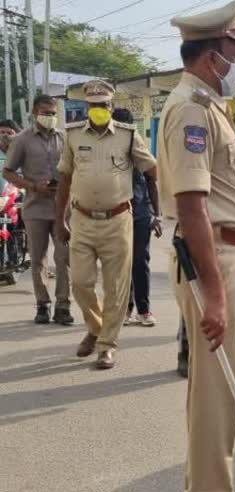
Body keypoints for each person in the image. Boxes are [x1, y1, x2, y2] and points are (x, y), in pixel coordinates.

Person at [158, 3, 235, 492]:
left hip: (230, 257)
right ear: (211, 57)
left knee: (218, 395)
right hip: (216, 261)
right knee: (216, 396)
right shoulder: (192, 110)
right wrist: (216, 296)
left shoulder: (209, 107)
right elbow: (192, 205)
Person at [55, 81, 158, 369]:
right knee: (80, 282)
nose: (99, 109)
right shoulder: (73, 136)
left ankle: (107, 345)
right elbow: (64, 179)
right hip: (82, 220)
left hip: (117, 220)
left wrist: (156, 211)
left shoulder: (128, 135)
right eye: (94, 105)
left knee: (115, 287)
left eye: (104, 105)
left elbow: (151, 170)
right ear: (87, 107)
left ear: (111, 107)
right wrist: (59, 220)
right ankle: (96, 327)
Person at [2, 96, 72, 325]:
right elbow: (9, 171)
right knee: (38, 259)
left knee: (64, 257)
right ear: (34, 112)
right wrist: (32, 186)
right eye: (45, 112)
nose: (50, 117)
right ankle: (43, 304)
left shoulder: (64, 138)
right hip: (35, 208)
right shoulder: (22, 140)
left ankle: (63, 305)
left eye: (53, 113)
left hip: (62, 208)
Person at [109, 108, 162, 328]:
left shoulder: (138, 147)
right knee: (120, 264)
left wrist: (156, 215)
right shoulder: (105, 149)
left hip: (139, 214)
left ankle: (144, 310)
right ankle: (125, 310)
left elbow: (152, 180)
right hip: (115, 214)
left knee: (140, 261)